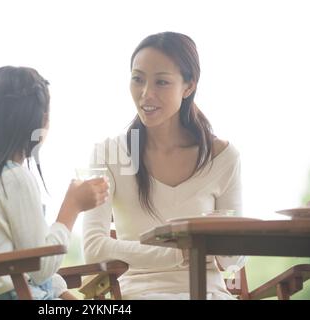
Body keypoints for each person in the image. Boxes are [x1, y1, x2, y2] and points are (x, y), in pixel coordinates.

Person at [82, 32, 245, 300]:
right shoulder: (110, 154)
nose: (146, 94)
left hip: (208, 293)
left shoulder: (223, 157)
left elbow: (232, 262)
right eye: (138, 79)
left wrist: (224, 238)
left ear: (189, 86)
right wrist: (180, 254)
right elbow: (94, 247)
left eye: (161, 82)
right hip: (138, 293)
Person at [0, 66, 109, 300]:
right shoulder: (15, 179)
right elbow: (40, 266)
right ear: (41, 121)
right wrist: (72, 208)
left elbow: (29, 263)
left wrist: (62, 292)